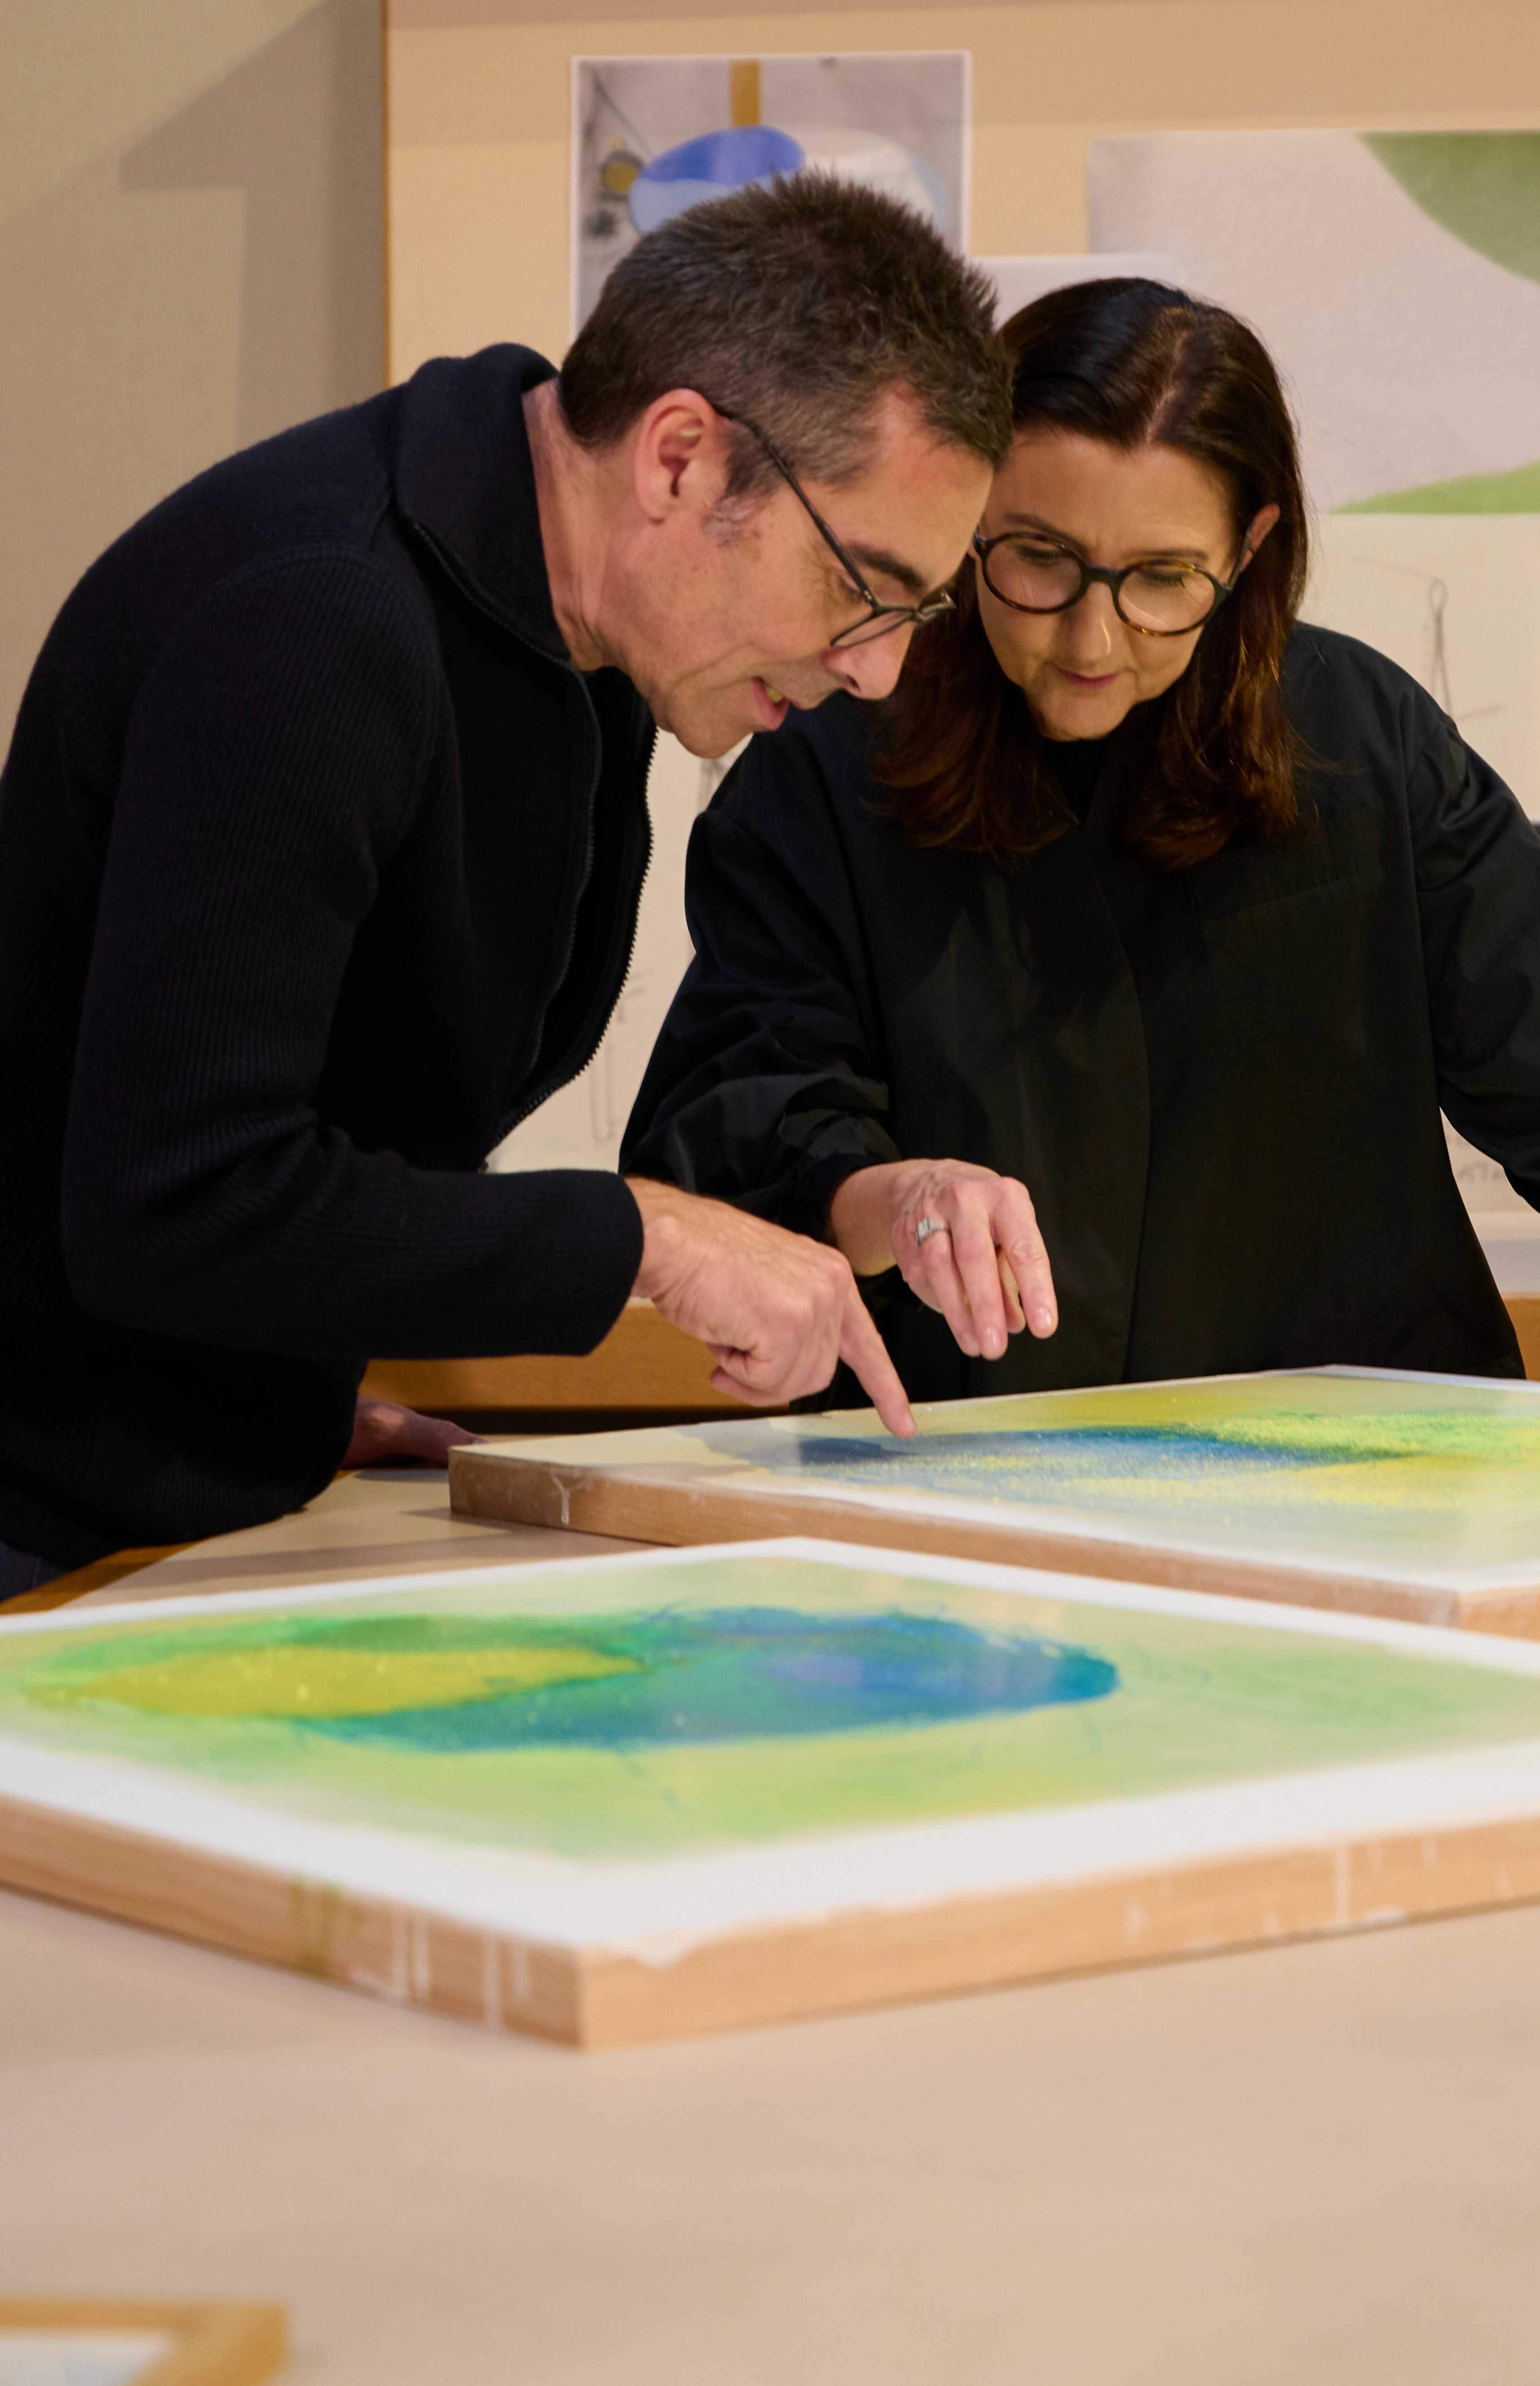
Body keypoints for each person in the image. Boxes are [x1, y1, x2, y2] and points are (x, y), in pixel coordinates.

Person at [627, 277, 1540, 1417]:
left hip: (1370, 1472)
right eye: (1037, 559)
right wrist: (891, 1196)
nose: (1092, 639)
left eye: (1161, 579)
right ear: (969, 513)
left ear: (1249, 551)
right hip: (965, 1470)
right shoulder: (830, 764)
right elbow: (747, 1111)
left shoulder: (1360, 744)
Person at [0, 176, 1011, 1595]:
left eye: (917, 613)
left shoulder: (570, 652)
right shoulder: (315, 616)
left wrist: (268, 1402)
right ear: (679, 459)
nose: (877, 668)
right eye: (864, 584)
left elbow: (307, 1130)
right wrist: (651, 1236)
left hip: (168, 1493)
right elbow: (176, 1200)